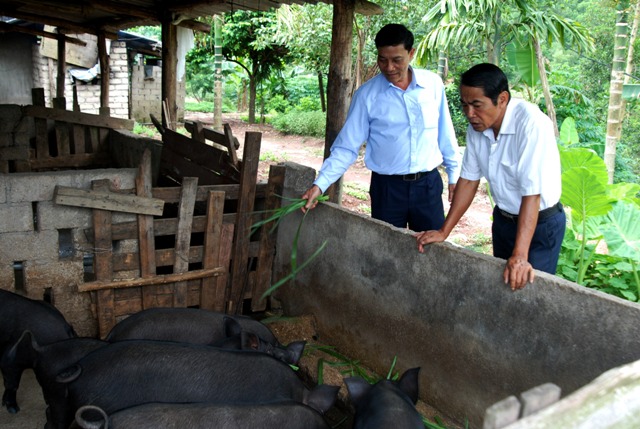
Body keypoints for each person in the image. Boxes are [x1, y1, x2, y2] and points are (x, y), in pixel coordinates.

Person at [415, 63, 566, 291]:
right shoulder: (477, 127)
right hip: (504, 221)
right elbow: (468, 180)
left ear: (502, 99)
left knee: (529, 291)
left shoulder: (531, 124)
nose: (469, 114)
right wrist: (444, 231)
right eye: (464, 105)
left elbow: (532, 194)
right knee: (503, 286)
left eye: (477, 105)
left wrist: (520, 255)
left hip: (541, 225)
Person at [301, 23, 460, 232]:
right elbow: (346, 148)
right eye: (382, 60)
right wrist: (320, 184)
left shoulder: (432, 85)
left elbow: (445, 132)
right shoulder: (367, 95)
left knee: (431, 252)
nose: (389, 67)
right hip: (387, 190)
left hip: (428, 186)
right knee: (387, 252)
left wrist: (455, 175)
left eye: (397, 60)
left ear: (411, 53)